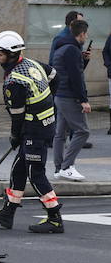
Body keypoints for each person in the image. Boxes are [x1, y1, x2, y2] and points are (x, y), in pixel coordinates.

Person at [0, 31, 64, 234]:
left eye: (0, 54)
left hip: (34, 130)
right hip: (43, 124)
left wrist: (15, 136)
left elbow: (17, 115)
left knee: (35, 173)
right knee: (19, 168)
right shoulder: (32, 63)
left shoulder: (14, 81)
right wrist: (48, 100)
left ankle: (54, 218)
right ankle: (8, 213)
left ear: (11, 54)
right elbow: (54, 75)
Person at [51, 19, 91, 182]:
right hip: (69, 96)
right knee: (83, 131)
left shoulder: (62, 47)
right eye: (85, 34)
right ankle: (67, 167)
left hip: (60, 95)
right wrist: (83, 100)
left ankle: (58, 168)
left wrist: (84, 60)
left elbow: (68, 70)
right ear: (81, 34)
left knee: (60, 133)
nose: (86, 37)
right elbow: (76, 77)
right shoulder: (72, 50)